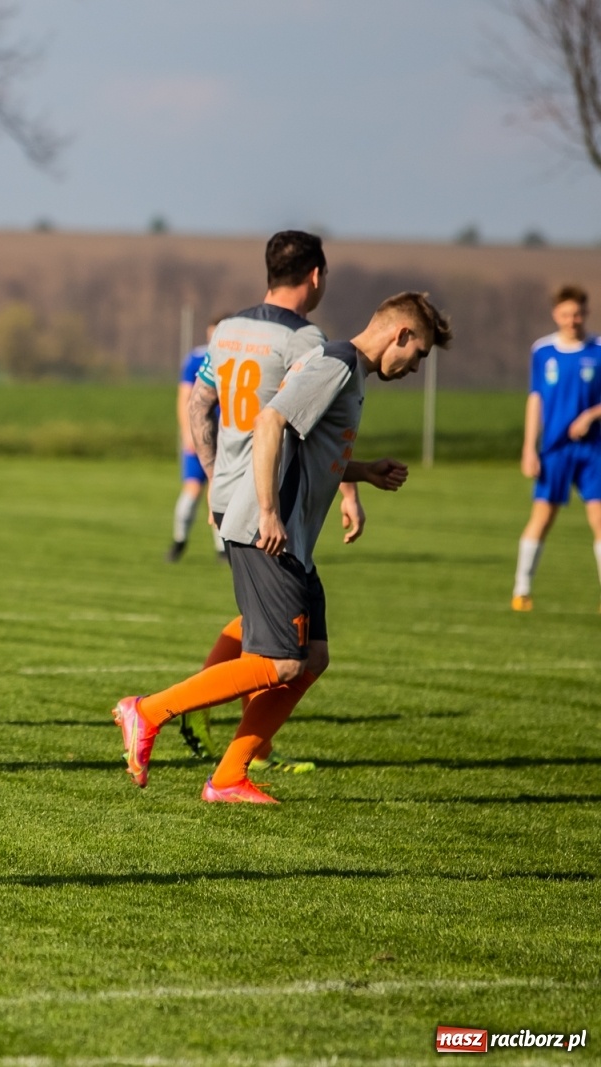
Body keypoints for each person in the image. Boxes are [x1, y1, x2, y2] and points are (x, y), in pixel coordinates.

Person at [115, 293, 451, 803]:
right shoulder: (336, 362)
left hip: (291, 536)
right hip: (267, 528)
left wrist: (362, 472)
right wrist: (270, 511)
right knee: (281, 663)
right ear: (400, 334)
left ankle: (228, 777)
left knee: (312, 657)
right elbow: (270, 422)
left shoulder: (350, 371)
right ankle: (148, 710)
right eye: (420, 352)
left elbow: (311, 450)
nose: (416, 366)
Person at [177, 231, 365, 769]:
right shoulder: (306, 341)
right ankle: (209, 719)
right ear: (315, 276)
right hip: (270, 497)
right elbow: (321, 427)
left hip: (228, 490)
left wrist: (215, 474)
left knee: (266, 616)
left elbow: (200, 405)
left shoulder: (230, 327)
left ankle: (247, 743)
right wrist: (348, 491)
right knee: (283, 633)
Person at [511, 285, 601, 611]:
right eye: (565, 314)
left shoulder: (599, 350)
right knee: (543, 517)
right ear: (556, 315)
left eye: (577, 313)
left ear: (586, 313)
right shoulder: (543, 351)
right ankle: (521, 590)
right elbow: (535, 400)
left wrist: (591, 415)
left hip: (594, 450)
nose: (572, 320)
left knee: (599, 520)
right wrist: (529, 448)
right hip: (554, 449)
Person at [169, 314, 226, 563]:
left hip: (225, 438)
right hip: (199, 434)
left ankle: (222, 549)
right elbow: (185, 398)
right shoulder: (196, 358)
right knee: (192, 489)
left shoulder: (237, 356)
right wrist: (188, 433)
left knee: (221, 493)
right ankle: (179, 541)